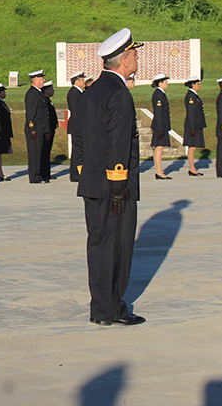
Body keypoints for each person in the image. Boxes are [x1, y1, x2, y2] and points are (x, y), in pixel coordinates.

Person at [74, 27, 145, 327]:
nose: (137, 56)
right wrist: (118, 188)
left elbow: (80, 136)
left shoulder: (92, 91)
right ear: (125, 60)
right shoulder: (119, 94)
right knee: (116, 247)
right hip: (114, 187)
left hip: (92, 182)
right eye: (134, 53)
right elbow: (117, 144)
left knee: (98, 245)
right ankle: (113, 309)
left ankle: (100, 308)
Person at [25, 69, 50, 183]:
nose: (44, 80)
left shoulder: (38, 93)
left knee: (40, 152)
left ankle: (39, 174)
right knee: (34, 153)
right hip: (36, 128)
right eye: (41, 78)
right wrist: (32, 128)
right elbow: (31, 113)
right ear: (35, 80)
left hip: (42, 128)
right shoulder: (32, 94)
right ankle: (34, 176)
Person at [183, 75, 206, 176]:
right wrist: (193, 128)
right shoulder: (190, 97)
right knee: (192, 146)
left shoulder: (194, 96)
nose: (199, 85)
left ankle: (193, 168)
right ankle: (192, 168)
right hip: (192, 126)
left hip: (196, 125)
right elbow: (191, 113)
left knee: (193, 146)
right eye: (197, 84)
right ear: (193, 85)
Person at [150, 73, 172, 180]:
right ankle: (159, 171)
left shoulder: (161, 94)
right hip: (160, 126)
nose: (167, 83)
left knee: (160, 147)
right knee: (159, 147)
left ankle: (159, 171)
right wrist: (160, 129)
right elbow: (158, 113)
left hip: (162, 126)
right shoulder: (158, 95)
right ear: (160, 83)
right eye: (165, 81)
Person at [67, 71, 86, 182]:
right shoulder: (74, 93)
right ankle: (75, 174)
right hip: (77, 126)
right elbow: (75, 111)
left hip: (79, 126)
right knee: (77, 152)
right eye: (82, 79)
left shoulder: (79, 92)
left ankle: (78, 172)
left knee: (80, 151)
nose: (84, 81)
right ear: (77, 80)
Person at [42, 81, 57, 179]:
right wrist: (47, 130)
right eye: (51, 89)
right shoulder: (44, 101)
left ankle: (47, 173)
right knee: (44, 152)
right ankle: (44, 173)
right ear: (46, 90)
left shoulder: (48, 100)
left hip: (51, 129)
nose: (53, 91)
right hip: (47, 130)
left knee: (47, 151)